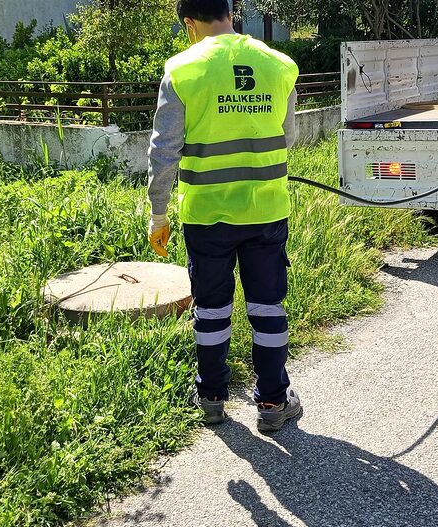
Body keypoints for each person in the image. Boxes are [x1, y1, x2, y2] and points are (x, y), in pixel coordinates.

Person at [146, 0, 301, 434]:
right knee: (267, 306)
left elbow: (164, 151)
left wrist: (158, 214)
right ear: (231, 15)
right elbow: (286, 136)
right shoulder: (280, 65)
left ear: (189, 23)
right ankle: (273, 402)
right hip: (267, 210)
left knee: (212, 309)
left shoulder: (182, 70)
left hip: (207, 215)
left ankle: (211, 397)